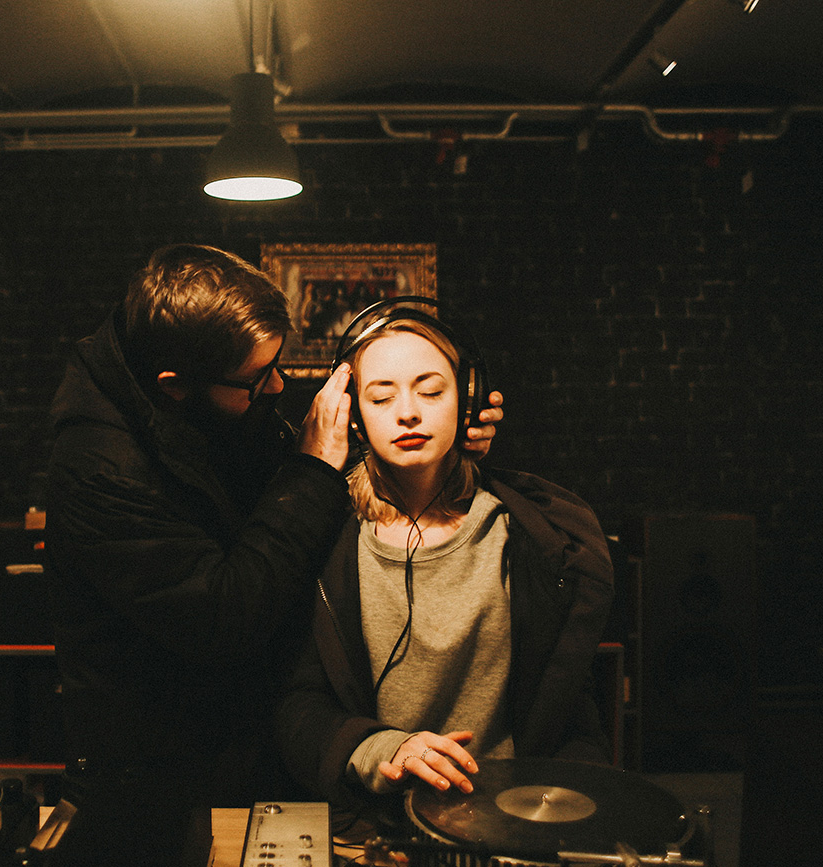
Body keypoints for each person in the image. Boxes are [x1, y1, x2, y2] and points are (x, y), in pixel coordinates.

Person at [44, 245, 503, 864]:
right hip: (155, 766)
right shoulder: (105, 470)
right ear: (174, 389)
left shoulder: (196, 398)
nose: (280, 387)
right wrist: (313, 468)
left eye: (432, 391)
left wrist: (466, 448)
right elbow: (223, 615)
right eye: (257, 380)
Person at [275, 309, 612, 835]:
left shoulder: (531, 539)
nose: (407, 412)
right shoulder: (323, 539)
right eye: (382, 397)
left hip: (517, 823)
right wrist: (381, 748)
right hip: (377, 828)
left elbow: (569, 704)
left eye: (430, 392)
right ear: (354, 414)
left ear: (468, 402)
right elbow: (297, 704)